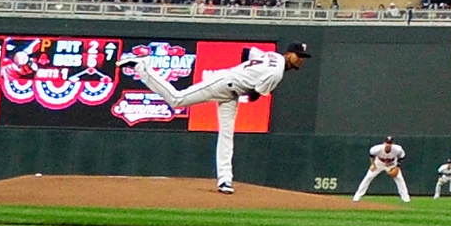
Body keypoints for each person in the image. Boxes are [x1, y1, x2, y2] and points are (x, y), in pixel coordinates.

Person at [126, 41, 312, 194]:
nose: (301, 60)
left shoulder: (271, 55)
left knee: (227, 135)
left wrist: (244, 73)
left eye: (303, 58)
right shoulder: (276, 73)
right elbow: (254, 95)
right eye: (299, 56)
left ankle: (225, 180)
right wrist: (243, 77)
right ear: (289, 54)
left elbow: (248, 52)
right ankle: (142, 66)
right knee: (177, 99)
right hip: (223, 84)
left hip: (232, 92)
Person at [353, 135, 410, 203]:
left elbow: (402, 156)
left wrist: (397, 166)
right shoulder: (377, 148)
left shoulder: (398, 149)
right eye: (387, 143)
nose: (388, 145)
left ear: (392, 144)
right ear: (384, 143)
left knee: (399, 179)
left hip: (392, 163)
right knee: (368, 177)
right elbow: (371, 155)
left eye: (390, 143)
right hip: (379, 163)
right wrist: (372, 164)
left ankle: (406, 198)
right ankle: (357, 196)